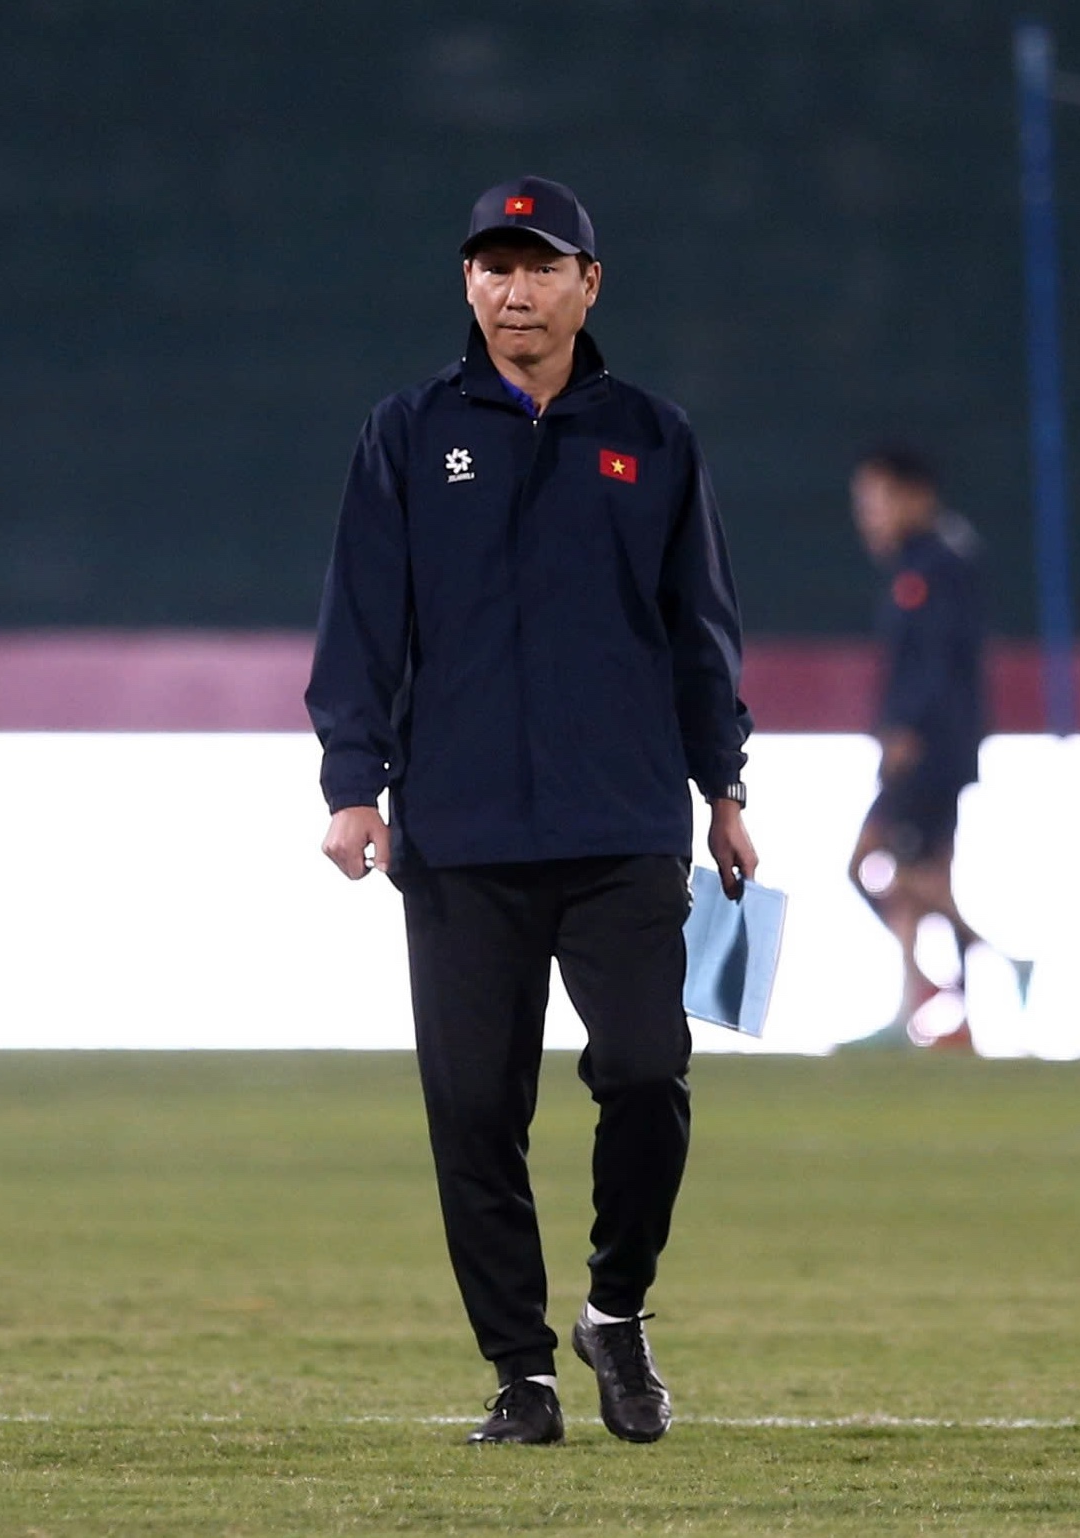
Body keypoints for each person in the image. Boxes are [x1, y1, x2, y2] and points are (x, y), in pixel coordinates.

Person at [306, 175, 758, 1446]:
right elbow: (361, 624)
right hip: (458, 832)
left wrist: (723, 783)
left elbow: (699, 631)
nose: (515, 287)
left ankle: (614, 1308)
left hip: (622, 826)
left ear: (587, 285)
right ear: (467, 283)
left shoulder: (655, 437)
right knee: (472, 1107)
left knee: (648, 1070)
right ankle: (523, 1369)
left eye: (541, 264)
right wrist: (353, 782)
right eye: (493, 265)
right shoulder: (405, 434)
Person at [843, 447, 1029, 1050]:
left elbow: (936, 663)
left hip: (929, 747)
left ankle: (973, 965)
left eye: (876, 501)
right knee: (927, 873)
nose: (868, 516)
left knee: (868, 862)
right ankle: (940, 1014)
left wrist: (905, 730)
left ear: (915, 496)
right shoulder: (934, 560)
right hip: (945, 743)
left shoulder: (935, 566)